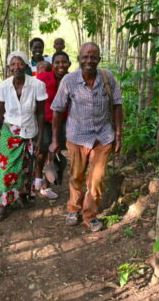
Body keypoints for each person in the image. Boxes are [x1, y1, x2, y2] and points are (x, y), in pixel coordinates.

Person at [49, 42, 123, 232]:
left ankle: (89, 215)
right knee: (76, 176)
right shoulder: (69, 81)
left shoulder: (108, 77)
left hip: (103, 137)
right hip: (77, 137)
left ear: (99, 59)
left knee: (96, 180)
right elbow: (57, 110)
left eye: (93, 57)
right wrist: (55, 140)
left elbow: (117, 105)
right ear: (79, 59)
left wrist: (118, 135)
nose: (89, 60)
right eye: (85, 57)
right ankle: (73, 208)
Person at [0, 51, 47, 221]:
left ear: (26, 66)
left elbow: (40, 114)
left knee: (27, 168)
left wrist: (39, 139)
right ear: (9, 68)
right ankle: (5, 205)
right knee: (5, 171)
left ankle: (23, 198)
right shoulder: (3, 86)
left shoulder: (37, 85)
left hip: (29, 132)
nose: (17, 67)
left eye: (20, 64)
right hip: (9, 133)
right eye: (13, 65)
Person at [34, 51, 71, 198]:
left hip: (62, 120)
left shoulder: (72, 78)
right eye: (57, 62)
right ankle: (37, 178)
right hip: (45, 121)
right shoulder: (43, 78)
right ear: (53, 65)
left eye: (64, 62)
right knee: (42, 150)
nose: (61, 65)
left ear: (69, 64)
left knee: (54, 151)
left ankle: (47, 184)